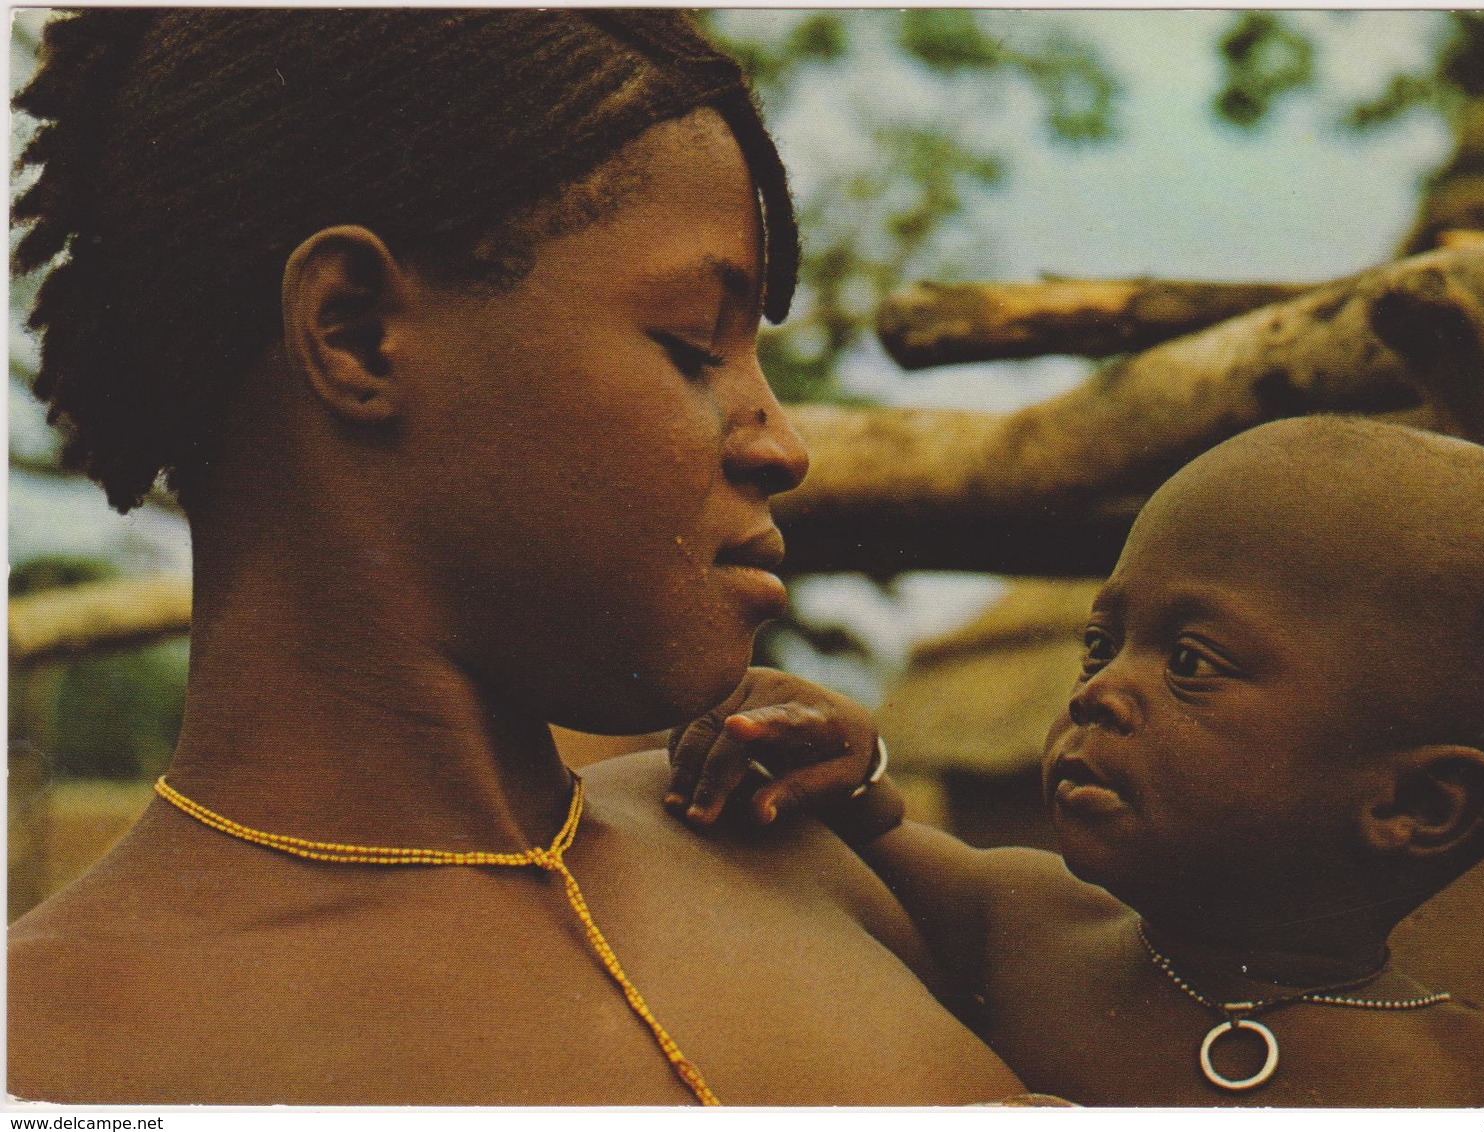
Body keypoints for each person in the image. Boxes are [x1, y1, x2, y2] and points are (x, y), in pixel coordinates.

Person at [7, 10, 1025, 1105]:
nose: (785, 442)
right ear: (354, 334)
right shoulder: (55, 1056)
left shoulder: (806, 859)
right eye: (692, 345)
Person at [669, 416, 1484, 1106]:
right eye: (1100, 645)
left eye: (1189, 663)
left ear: (1418, 803)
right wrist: (832, 751)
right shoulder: (1017, 924)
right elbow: (870, 832)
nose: (1094, 692)